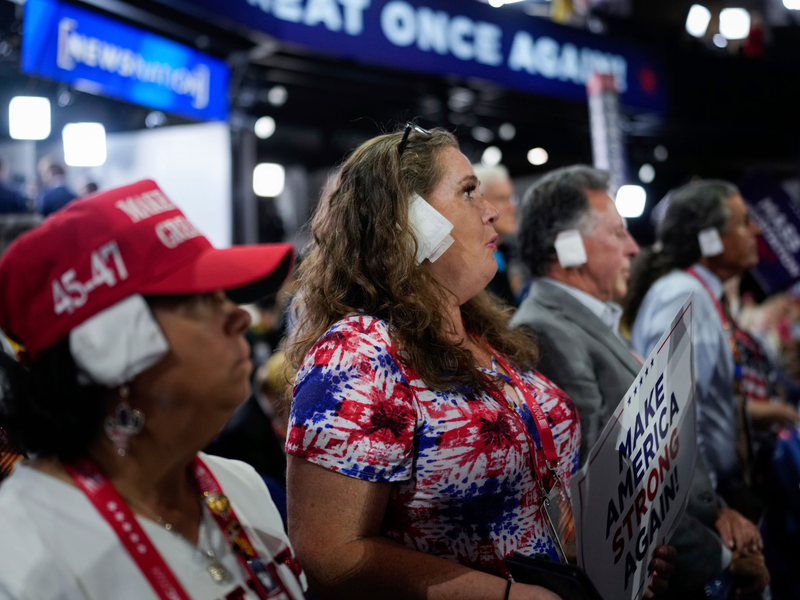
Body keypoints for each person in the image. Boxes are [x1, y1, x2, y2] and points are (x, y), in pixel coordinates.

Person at [284, 125, 672, 599]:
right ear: (408, 220)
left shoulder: (482, 332)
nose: (491, 213)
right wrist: (507, 596)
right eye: (468, 193)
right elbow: (330, 552)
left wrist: (611, 558)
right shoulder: (359, 353)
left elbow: (537, 501)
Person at [0, 180, 306, 600]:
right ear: (110, 349)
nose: (237, 316)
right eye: (202, 299)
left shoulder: (242, 487)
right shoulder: (22, 556)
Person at [511, 166, 769, 598]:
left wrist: (718, 511)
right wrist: (722, 559)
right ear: (569, 249)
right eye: (617, 234)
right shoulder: (546, 330)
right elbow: (608, 488)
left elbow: (662, 446)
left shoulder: (589, 319)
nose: (634, 247)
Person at [624, 180, 799, 515]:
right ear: (710, 240)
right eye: (744, 222)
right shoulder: (682, 294)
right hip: (701, 503)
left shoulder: (696, 291)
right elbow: (675, 414)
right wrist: (711, 504)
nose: (757, 231)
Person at [472, 163, 519, 306]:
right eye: (501, 199)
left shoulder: (507, 254)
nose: (512, 207)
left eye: (511, 198)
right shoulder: (471, 267)